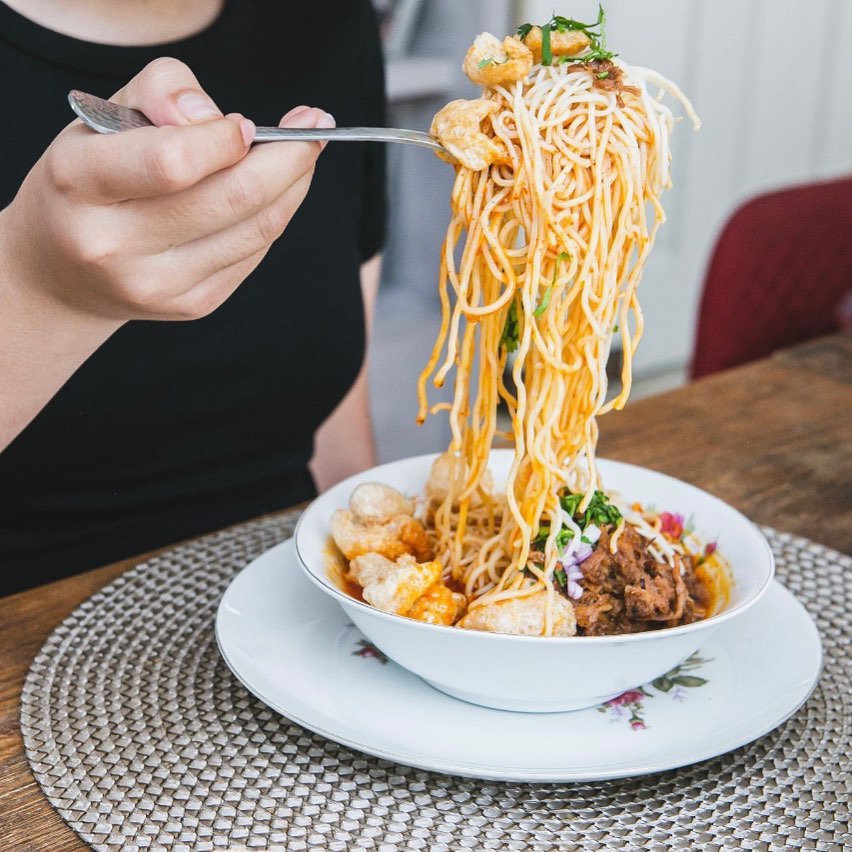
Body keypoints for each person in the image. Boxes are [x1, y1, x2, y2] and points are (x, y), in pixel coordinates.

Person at [0, 0, 387, 593]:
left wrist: (378, 605)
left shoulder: (330, 20)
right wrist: (36, 286)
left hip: (295, 603)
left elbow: (339, 438)